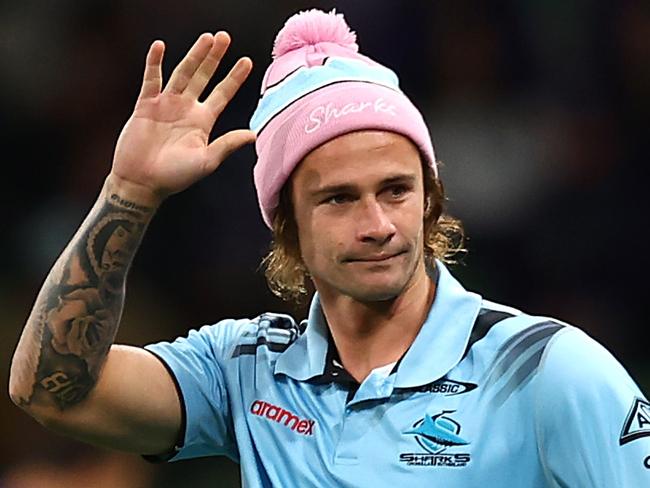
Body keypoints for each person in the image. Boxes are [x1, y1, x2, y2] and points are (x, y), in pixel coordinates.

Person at [9, 9, 650, 487]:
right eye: (339, 198)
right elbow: (49, 391)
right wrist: (130, 191)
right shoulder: (244, 369)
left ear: (429, 199)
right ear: (286, 222)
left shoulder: (547, 370)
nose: (378, 224)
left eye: (397, 190)